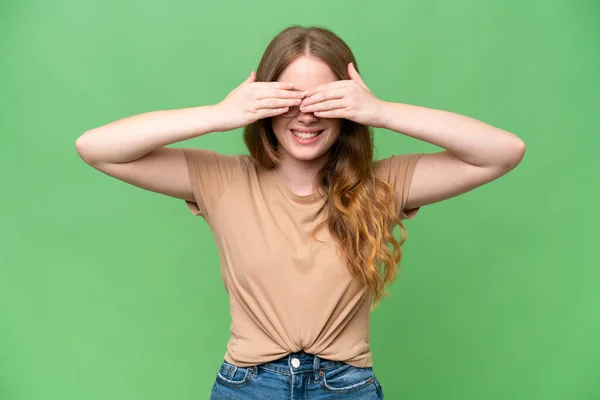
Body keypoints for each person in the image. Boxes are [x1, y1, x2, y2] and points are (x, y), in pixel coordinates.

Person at [75, 25, 525, 400]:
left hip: (347, 387)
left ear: (347, 105)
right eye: (289, 97)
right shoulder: (222, 179)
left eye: (323, 99)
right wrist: (220, 113)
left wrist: (381, 111)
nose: (306, 115)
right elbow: (96, 148)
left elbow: (503, 152)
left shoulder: (381, 185)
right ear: (264, 102)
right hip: (247, 387)